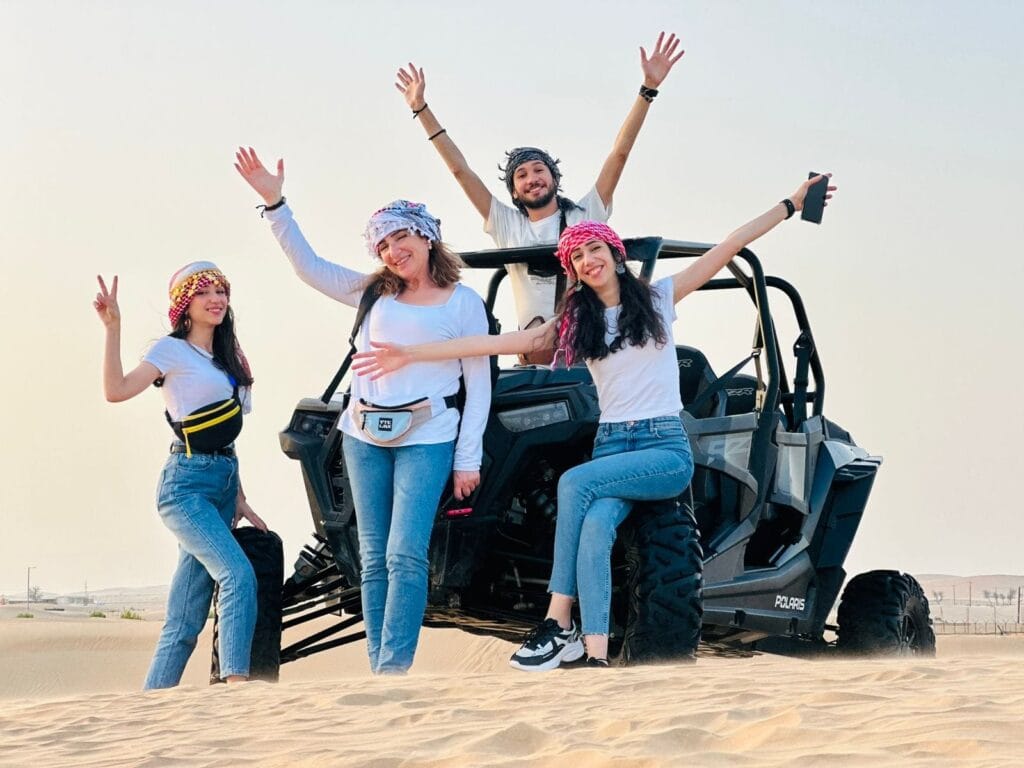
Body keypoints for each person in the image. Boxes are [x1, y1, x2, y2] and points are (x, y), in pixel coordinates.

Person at [352, 174, 837, 669]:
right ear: (574, 272)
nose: (588, 260)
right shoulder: (576, 324)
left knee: (574, 485)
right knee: (594, 529)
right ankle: (596, 654)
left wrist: (791, 204)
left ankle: (557, 622)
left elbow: (731, 244)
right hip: (611, 447)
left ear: (614, 253)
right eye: (577, 258)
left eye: (594, 249)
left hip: (663, 448)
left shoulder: (658, 299)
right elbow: (489, 345)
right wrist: (410, 354)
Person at [233, 146, 492, 674]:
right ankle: (380, 672)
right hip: (363, 432)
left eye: (402, 236)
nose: (394, 250)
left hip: (430, 432)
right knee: (372, 558)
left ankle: (394, 668)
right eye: (384, 243)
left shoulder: (463, 302)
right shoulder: (375, 293)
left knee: (405, 553)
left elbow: (478, 384)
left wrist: (469, 458)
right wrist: (275, 204)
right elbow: (309, 268)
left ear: (426, 235)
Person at [395, 31, 685, 332]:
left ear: (554, 177)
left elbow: (619, 154)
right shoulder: (508, 226)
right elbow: (460, 171)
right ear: (515, 192)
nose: (532, 179)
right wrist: (421, 109)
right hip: (536, 352)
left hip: (590, 344)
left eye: (538, 170)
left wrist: (647, 90)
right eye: (521, 176)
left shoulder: (584, 216)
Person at [93, 262, 266, 689]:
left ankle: (150, 709)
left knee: (186, 618)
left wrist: (240, 497)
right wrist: (113, 328)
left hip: (223, 482)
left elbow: (227, 433)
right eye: (204, 292)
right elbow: (115, 391)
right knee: (237, 576)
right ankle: (237, 689)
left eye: (221, 291)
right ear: (184, 306)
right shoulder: (171, 352)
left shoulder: (230, 359)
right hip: (185, 486)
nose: (216, 299)